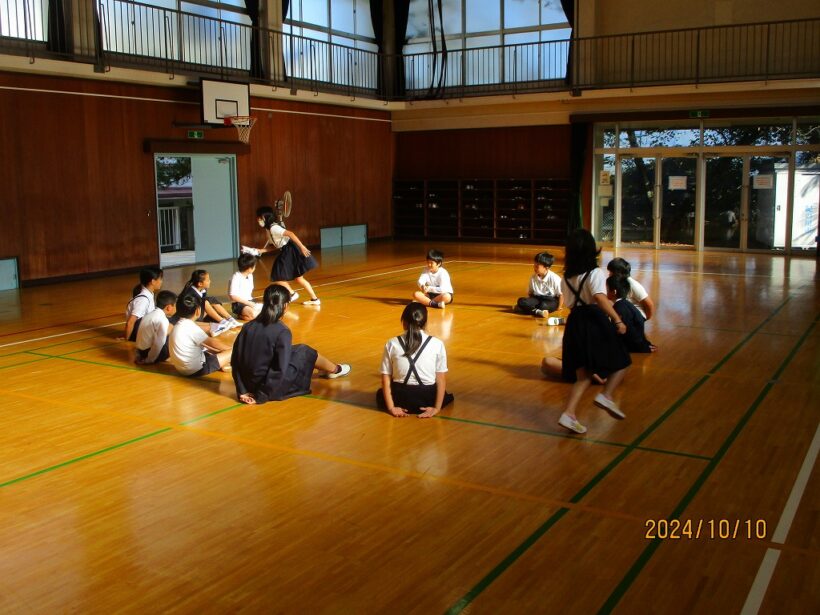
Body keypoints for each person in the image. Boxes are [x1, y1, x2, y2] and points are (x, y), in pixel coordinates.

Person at [556, 229, 631, 434]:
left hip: (574, 324)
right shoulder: (595, 273)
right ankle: (606, 396)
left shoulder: (566, 277)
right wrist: (617, 320)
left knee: (584, 375)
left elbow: (570, 304)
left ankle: (569, 414)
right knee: (623, 360)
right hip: (592, 320)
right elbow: (599, 298)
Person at [231, 284, 350, 404]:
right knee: (305, 351)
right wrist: (261, 395)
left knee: (296, 349)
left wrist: (242, 390)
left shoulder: (248, 327)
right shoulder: (282, 331)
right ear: (286, 306)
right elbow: (279, 369)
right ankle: (335, 369)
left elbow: (235, 360)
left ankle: (331, 370)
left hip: (248, 386)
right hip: (268, 388)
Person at [377, 302, 454, 418]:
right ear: (425, 323)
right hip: (427, 399)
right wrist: (437, 408)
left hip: (400, 398)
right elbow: (441, 379)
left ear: (404, 323)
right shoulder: (437, 344)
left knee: (380, 393)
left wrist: (391, 407)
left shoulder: (391, 343)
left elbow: (385, 379)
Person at [255, 206, 321, 305]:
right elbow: (275, 246)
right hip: (286, 250)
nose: (258, 220)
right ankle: (315, 299)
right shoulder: (268, 230)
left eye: (259, 218)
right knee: (299, 278)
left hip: (290, 250)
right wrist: (260, 250)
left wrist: (302, 247)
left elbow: (291, 234)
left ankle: (292, 294)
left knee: (277, 276)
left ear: (265, 217)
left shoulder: (274, 228)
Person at [169, 294, 232, 377]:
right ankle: (225, 362)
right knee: (234, 352)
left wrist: (220, 352)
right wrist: (230, 349)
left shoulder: (178, 325)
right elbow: (213, 343)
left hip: (182, 369)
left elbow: (205, 345)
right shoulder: (190, 327)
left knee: (213, 351)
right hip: (196, 369)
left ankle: (223, 363)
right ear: (198, 311)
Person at [606, 276, 656, 353]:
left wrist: (642, 346)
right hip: (637, 342)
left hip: (632, 346)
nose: (605, 291)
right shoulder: (626, 303)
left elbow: (629, 331)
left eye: (607, 289)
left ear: (614, 292)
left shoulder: (620, 308)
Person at [514, 251, 564, 321]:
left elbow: (561, 294)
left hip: (550, 300)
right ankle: (538, 312)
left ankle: (526, 309)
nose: (534, 268)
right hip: (537, 298)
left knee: (543, 305)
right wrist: (529, 302)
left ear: (546, 268)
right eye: (534, 265)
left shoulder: (555, 278)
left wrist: (559, 307)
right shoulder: (533, 277)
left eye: (537, 266)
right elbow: (530, 293)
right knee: (521, 301)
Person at [134, 290, 177, 364]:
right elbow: (158, 343)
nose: (176, 308)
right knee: (176, 333)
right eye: (175, 305)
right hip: (148, 353)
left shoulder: (150, 314)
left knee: (171, 328)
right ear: (169, 307)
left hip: (141, 352)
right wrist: (149, 360)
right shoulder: (162, 319)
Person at [124, 267, 163, 341]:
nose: (161, 281)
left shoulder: (150, 293)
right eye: (160, 279)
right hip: (139, 334)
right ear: (153, 281)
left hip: (144, 329)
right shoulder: (143, 300)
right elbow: (130, 322)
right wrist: (126, 339)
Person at [229, 253, 261, 321]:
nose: (255, 268)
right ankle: (240, 315)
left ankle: (246, 315)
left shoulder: (250, 275)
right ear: (249, 268)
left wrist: (251, 303)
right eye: (254, 266)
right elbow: (232, 296)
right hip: (238, 304)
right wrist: (249, 303)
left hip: (249, 301)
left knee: (264, 312)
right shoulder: (236, 277)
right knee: (254, 315)